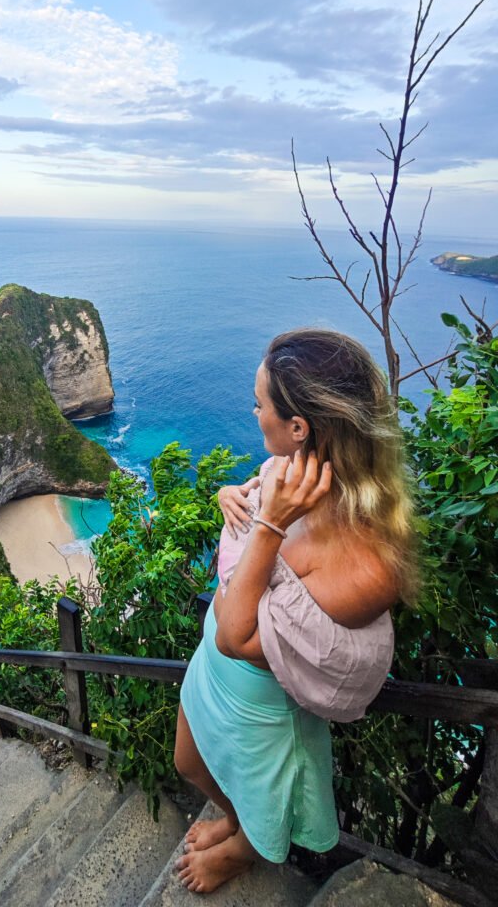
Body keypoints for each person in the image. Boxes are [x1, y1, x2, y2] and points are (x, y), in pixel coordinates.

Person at [173, 328, 419, 894]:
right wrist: (229, 496)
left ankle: (242, 848)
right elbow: (251, 534)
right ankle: (231, 820)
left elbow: (239, 635)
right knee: (190, 763)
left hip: (261, 700)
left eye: (260, 405)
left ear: (300, 428)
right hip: (212, 668)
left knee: (264, 804)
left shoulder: (370, 563)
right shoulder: (285, 474)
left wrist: (268, 524)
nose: (254, 412)